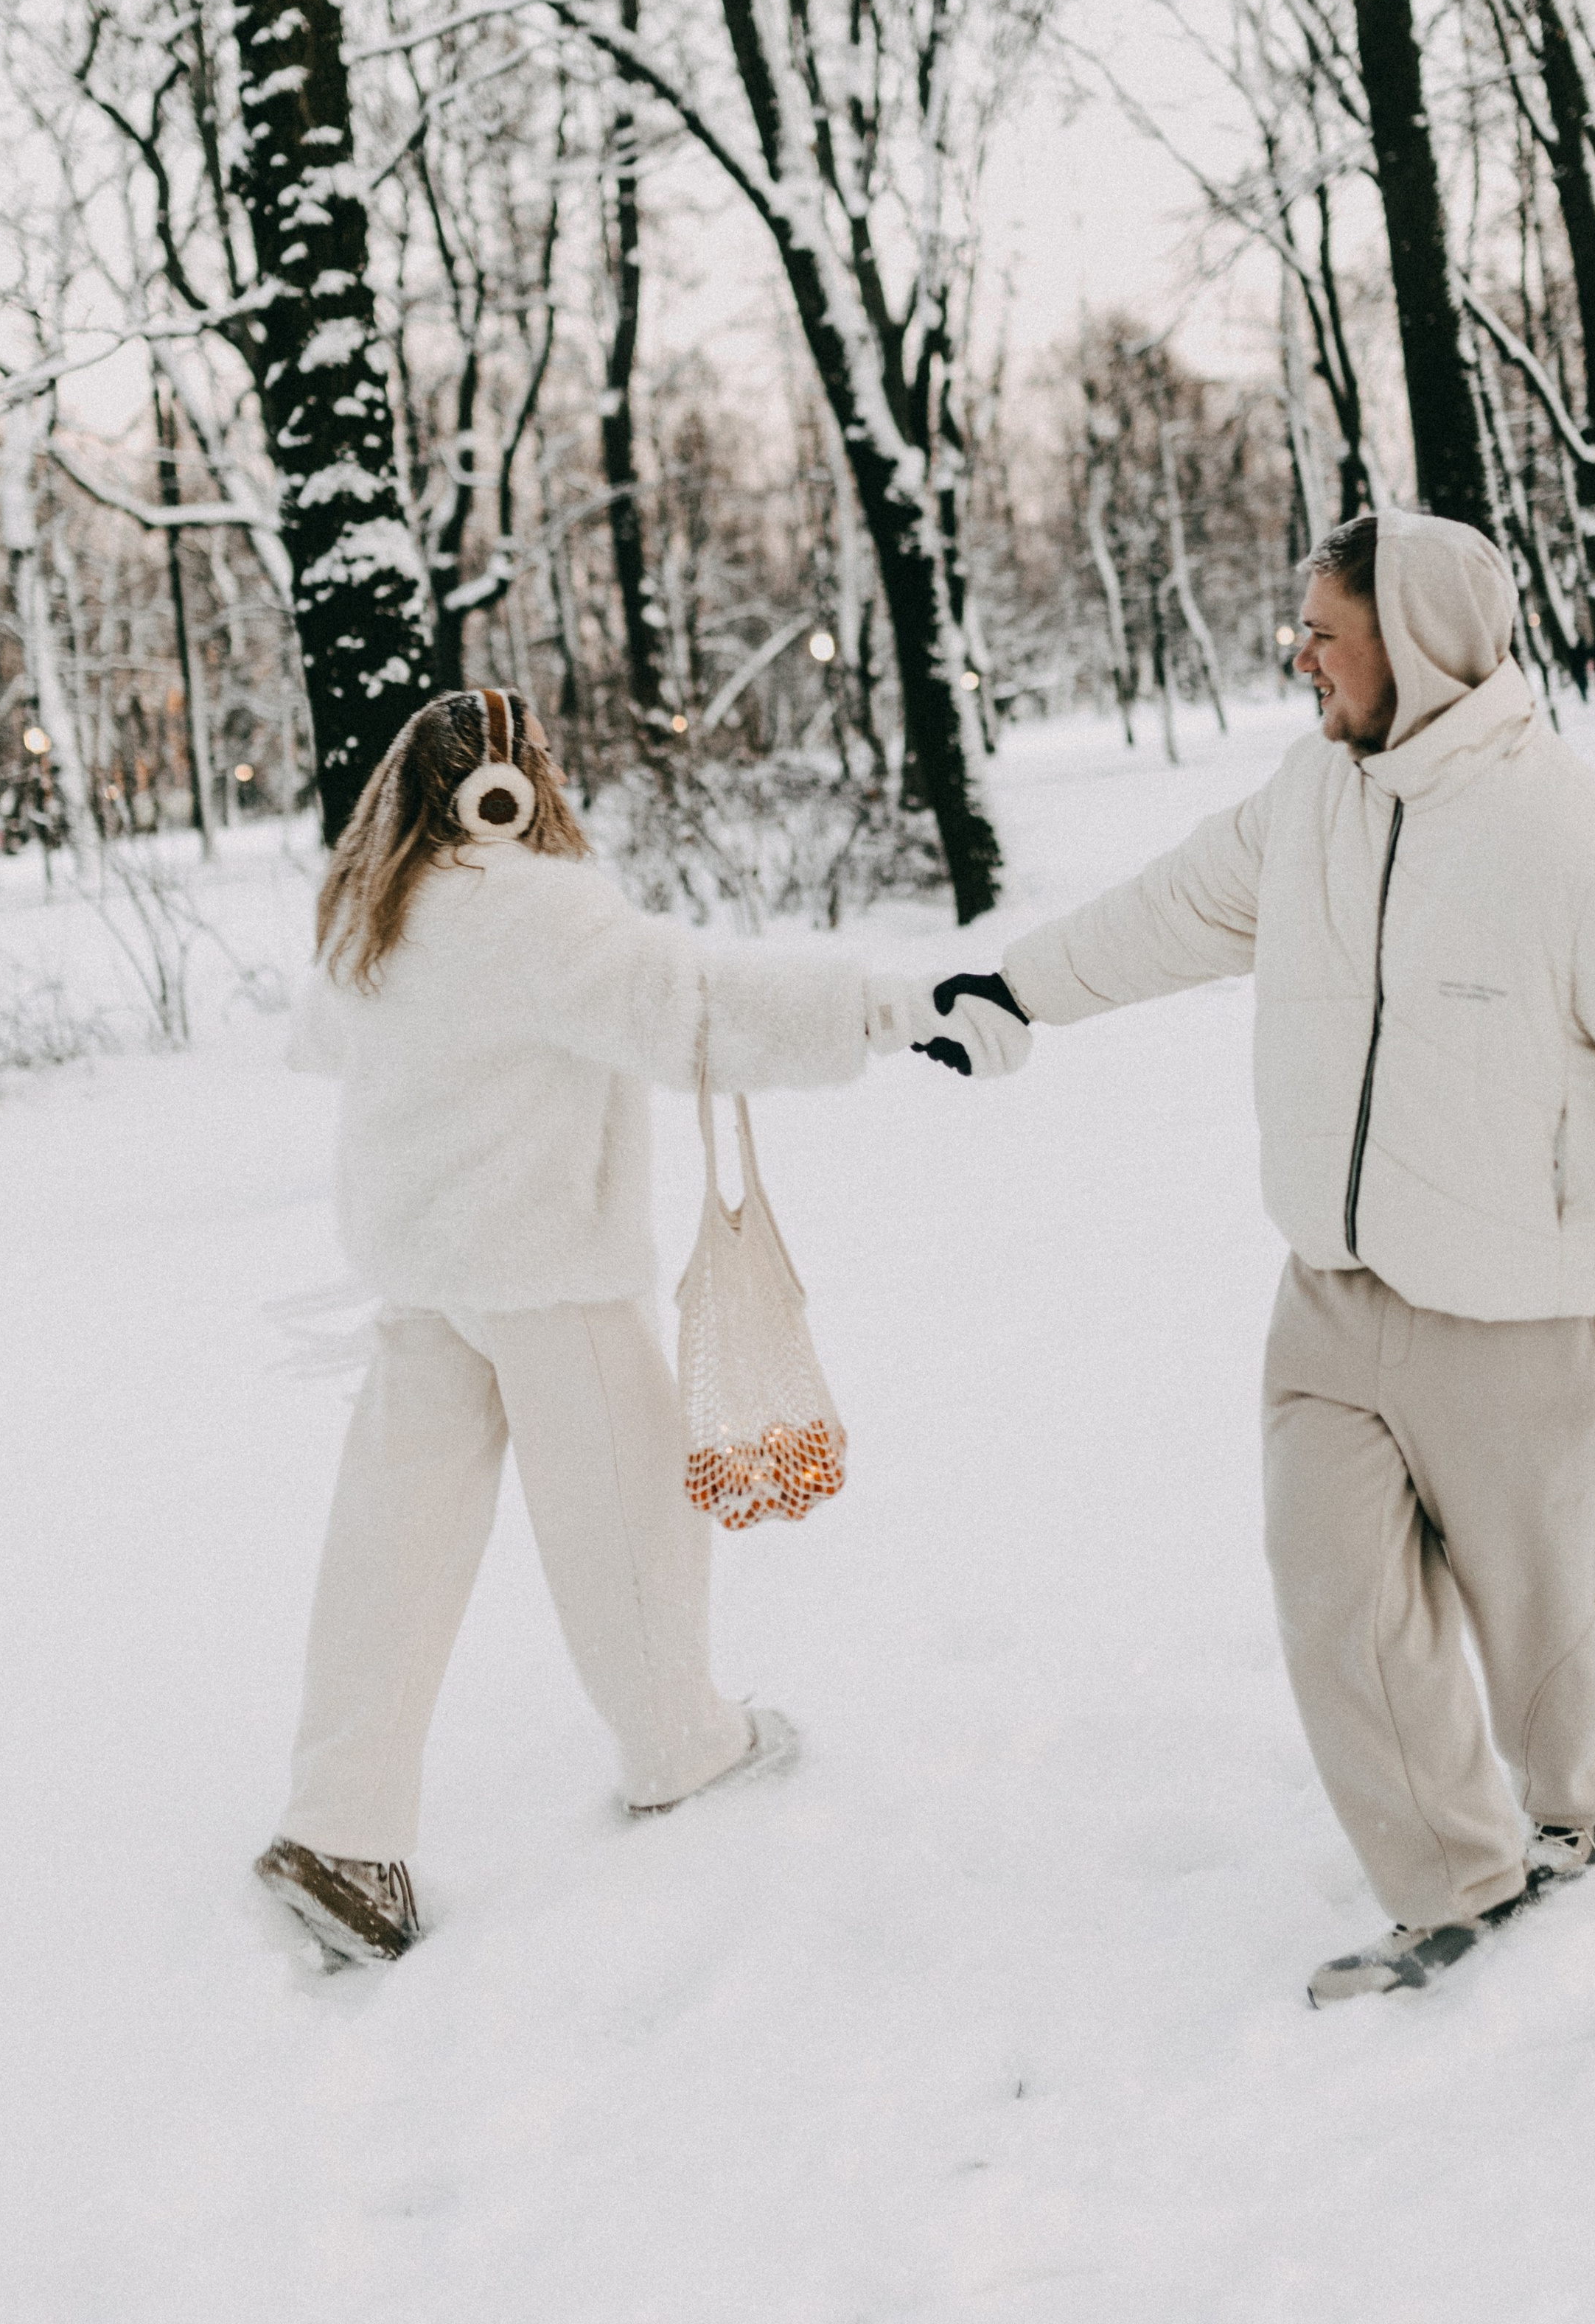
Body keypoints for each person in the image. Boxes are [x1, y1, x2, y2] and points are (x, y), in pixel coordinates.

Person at [944, 508, 1595, 2004]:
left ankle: (1573, 1817)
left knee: (1536, 1621)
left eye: (1324, 630)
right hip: (1327, 1294)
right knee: (1332, 1599)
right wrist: (1016, 990)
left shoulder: (1574, 847)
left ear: (1418, 645)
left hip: (1511, 1315)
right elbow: (1173, 909)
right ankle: (1450, 1883)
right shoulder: (1312, 798)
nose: (1297, 654)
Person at [258, 687, 1027, 1965]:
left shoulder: (374, 912)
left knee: (393, 1548)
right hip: (547, 1275)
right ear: (504, 793)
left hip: (428, 1279)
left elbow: (324, 1041)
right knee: (626, 1524)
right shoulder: (530, 910)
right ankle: (683, 1747)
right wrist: (899, 1007)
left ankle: (338, 1832)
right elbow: (699, 1006)